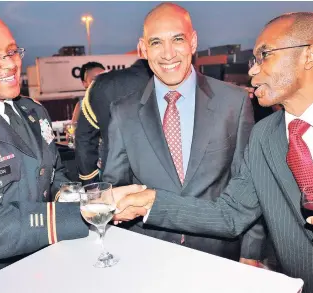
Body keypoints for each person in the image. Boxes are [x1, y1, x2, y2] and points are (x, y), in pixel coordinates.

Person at [115, 12, 313, 292]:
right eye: (254, 59)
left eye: (264, 55)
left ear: (308, 55)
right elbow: (231, 214)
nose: (253, 71)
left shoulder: (233, 105)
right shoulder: (265, 137)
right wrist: (150, 202)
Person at [0, 7, 145, 283]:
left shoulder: (32, 112)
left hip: (49, 263)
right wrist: (81, 214)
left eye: (13, 51)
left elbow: (54, 177)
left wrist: (94, 201)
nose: (10, 64)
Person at [103, 3, 266, 264]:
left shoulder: (233, 101)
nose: (168, 53)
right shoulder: (123, 112)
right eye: (156, 42)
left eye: (177, 39)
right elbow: (116, 186)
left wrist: (251, 252)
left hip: (219, 254)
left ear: (193, 42)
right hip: (148, 257)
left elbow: (248, 184)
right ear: (143, 49)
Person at [75, 58, 153, 184]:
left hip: (115, 178)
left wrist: (91, 183)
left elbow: (84, 140)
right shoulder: (173, 82)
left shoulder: (102, 84)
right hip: (164, 184)